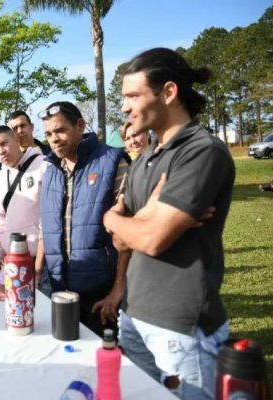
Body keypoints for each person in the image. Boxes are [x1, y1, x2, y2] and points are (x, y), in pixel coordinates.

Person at [103, 48, 235, 399]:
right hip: (133, 316)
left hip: (180, 328)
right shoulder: (145, 158)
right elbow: (119, 241)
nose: (126, 107)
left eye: (133, 95)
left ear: (169, 92)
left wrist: (125, 221)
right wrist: (118, 219)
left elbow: (152, 240)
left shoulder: (202, 151)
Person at [36, 101, 129, 337]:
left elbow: (129, 234)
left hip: (100, 295)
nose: (53, 139)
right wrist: (37, 272)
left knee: (100, 363)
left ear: (80, 125)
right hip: (59, 290)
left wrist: (118, 290)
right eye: (48, 134)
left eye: (59, 130)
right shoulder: (50, 171)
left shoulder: (113, 161)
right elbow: (45, 227)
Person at [0, 125, 47, 258]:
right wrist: (8, 247)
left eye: (4, 143)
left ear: (16, 140)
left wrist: (41, 251)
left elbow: (52, 214)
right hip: (13, 257)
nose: (1, 151)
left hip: (44, 256)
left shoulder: (44, 166)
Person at [0, 110, 50, 176]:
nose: (19, 131)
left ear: (31, 127)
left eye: (22, 126)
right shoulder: (9, 156)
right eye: (15, 128)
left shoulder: (50, 153)